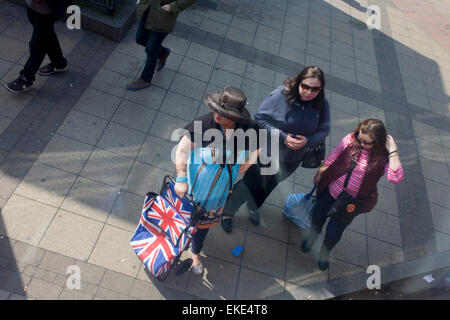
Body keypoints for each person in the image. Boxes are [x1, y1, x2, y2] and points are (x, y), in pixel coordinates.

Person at [221, 66, 330, 233]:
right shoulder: (281, 95)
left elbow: (324, 130)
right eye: (305, 86)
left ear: (321, 88)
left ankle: (254, 207)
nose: (309, 92)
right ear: (298, 82)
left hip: (292, 159)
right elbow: (259, 118)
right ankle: (228, 211)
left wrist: (308, 140)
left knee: (269, 185)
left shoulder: (322, 104)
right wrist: (283, 136)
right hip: (267, 153)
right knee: (249, 184)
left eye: (315, 89)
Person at [174, 86, 260, 274]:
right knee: (182, 217)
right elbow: (181, 150)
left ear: (236, 117)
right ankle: (173, 242)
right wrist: (181, 178)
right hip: (193, 187)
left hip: (219, 191)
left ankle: (195, 252)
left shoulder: (248, 128)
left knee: (202, 225)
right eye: (217, 110)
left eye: (223, 113)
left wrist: (250, 162)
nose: (217, 115)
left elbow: (261, 142)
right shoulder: (203, 124)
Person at [301, 119, 404, 271]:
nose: (362, 144)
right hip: (331, 191)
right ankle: (312, 238)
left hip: (351, 203)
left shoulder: (383, 157)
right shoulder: (351, 139)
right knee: (317, 217)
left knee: (334, 232)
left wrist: (393, 151)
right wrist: (321, 171)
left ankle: (325, 252)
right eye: (360, 139)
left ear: (379, 141)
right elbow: (335, 154)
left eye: (367, 142)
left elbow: (395, 177)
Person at [4, 0, 71, 94]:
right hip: (32, 5)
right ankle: (59, 63)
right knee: (46, 35)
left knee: (37, 45)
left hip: (45, 9)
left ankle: (26, 78)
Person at [127, 0, 196, 91]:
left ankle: (145, 79)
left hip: (163, 15)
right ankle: (163, 52)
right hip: (147, 7)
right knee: (140, 39)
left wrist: (174, 6)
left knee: (151, 49)